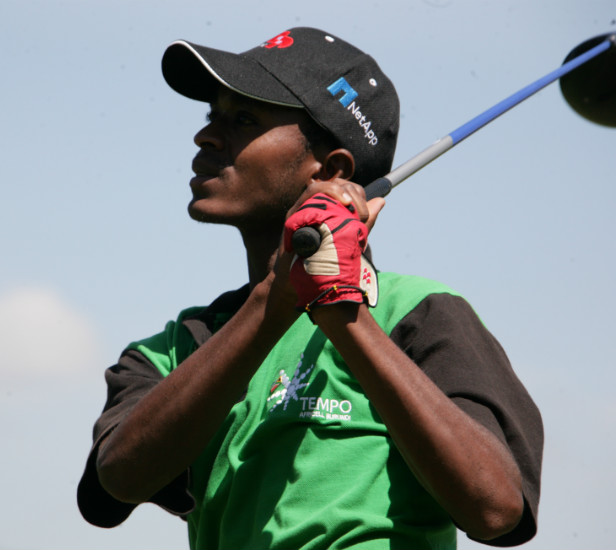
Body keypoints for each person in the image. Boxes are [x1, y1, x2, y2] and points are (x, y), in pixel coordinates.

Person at [77, 27, 543, 549]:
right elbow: (115, 484)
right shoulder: (176, 348)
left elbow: (496, 508)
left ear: (331, 170)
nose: (205, 137)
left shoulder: (418, 312)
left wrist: (341, 310)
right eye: (213, 118)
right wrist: (274, 300)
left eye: (245, 120)